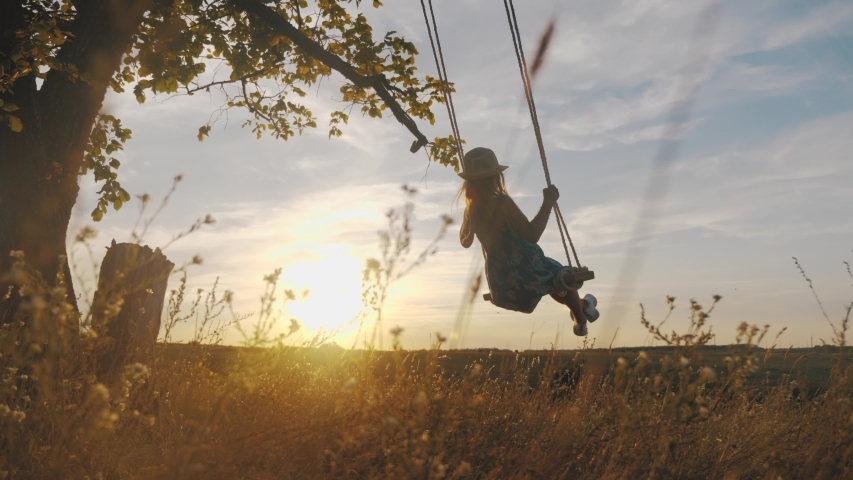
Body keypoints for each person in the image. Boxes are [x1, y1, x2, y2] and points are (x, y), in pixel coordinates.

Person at [457, 147, 599, 336]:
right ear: (496, 177)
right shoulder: (502, 202)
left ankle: (583, 308)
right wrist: (548, 202)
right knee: (560, 275)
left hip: (501, 280)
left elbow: (465, 242)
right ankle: (581, 317)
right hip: (526, 269)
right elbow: (532, 235)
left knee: (549, 282)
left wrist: (469, 214)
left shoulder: (473, 209)